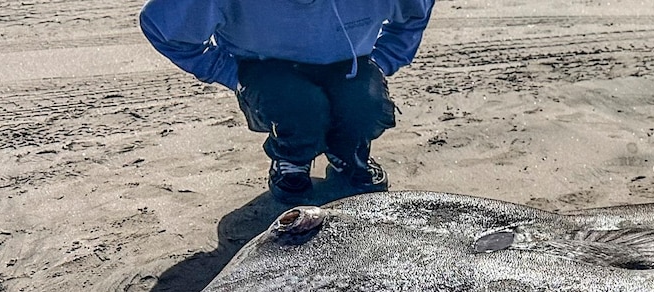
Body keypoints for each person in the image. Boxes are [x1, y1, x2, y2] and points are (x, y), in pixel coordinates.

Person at [140, 0, 435, 202]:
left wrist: (384, 60)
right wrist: (231, 74)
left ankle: (348, 153)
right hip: (266, 67)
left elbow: (415, 12)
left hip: (349, 61)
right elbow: (162, 28)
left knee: (366, 106)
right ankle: (291, 159)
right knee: (299, 108)